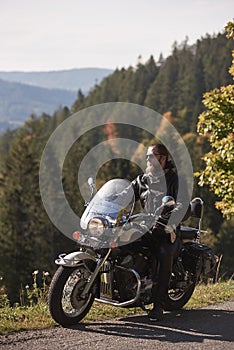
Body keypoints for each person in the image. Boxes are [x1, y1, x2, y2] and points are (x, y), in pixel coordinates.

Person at [131, 144, 181, 321]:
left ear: (163, 158)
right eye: (147, 156)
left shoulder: (174, 179)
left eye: (151, 156)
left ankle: (159, 305)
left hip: (167, 229)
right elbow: (125, 195)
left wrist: (166, 222)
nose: (147, 160)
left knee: (163, 254)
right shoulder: (142, 180)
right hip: (144, 226)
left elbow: (181, 205)